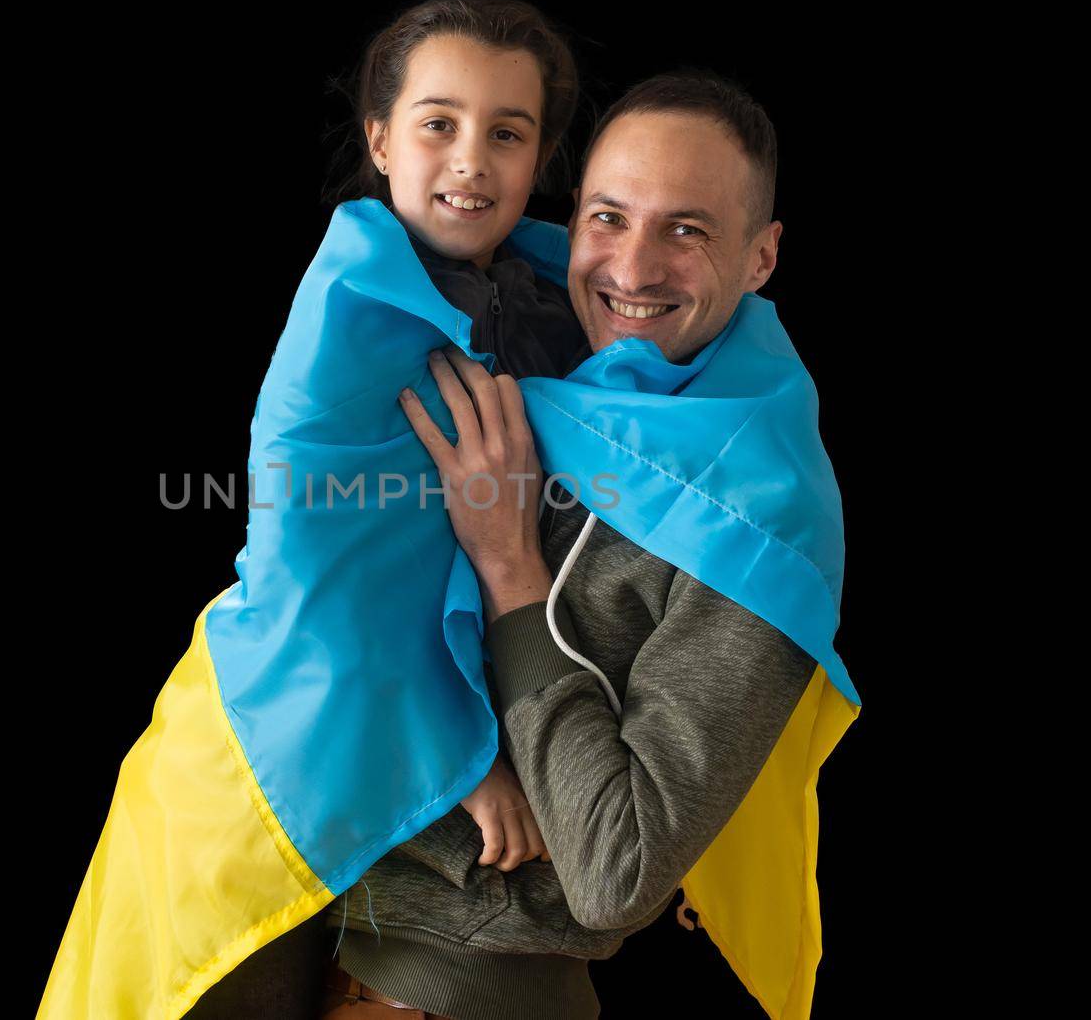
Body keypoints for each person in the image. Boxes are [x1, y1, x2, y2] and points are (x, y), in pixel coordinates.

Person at [319, 72, 821, 1020]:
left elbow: (614, 872)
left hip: (446, 990)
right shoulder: (537, 346)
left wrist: (510, 566)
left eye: (687, 229)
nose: (630, 269)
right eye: (607, 217)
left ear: (761, 256)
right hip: (326, 928)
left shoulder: (759, 527)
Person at [183, 0, 583, 1020]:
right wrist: (466, 761)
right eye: (438, 123)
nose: (471, 160)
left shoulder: (532, 302)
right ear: (379, 138)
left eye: (507, 132)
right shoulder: (351, 318)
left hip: (362, 759)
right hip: (266, 748)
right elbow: (312, 583)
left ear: (539, 158)